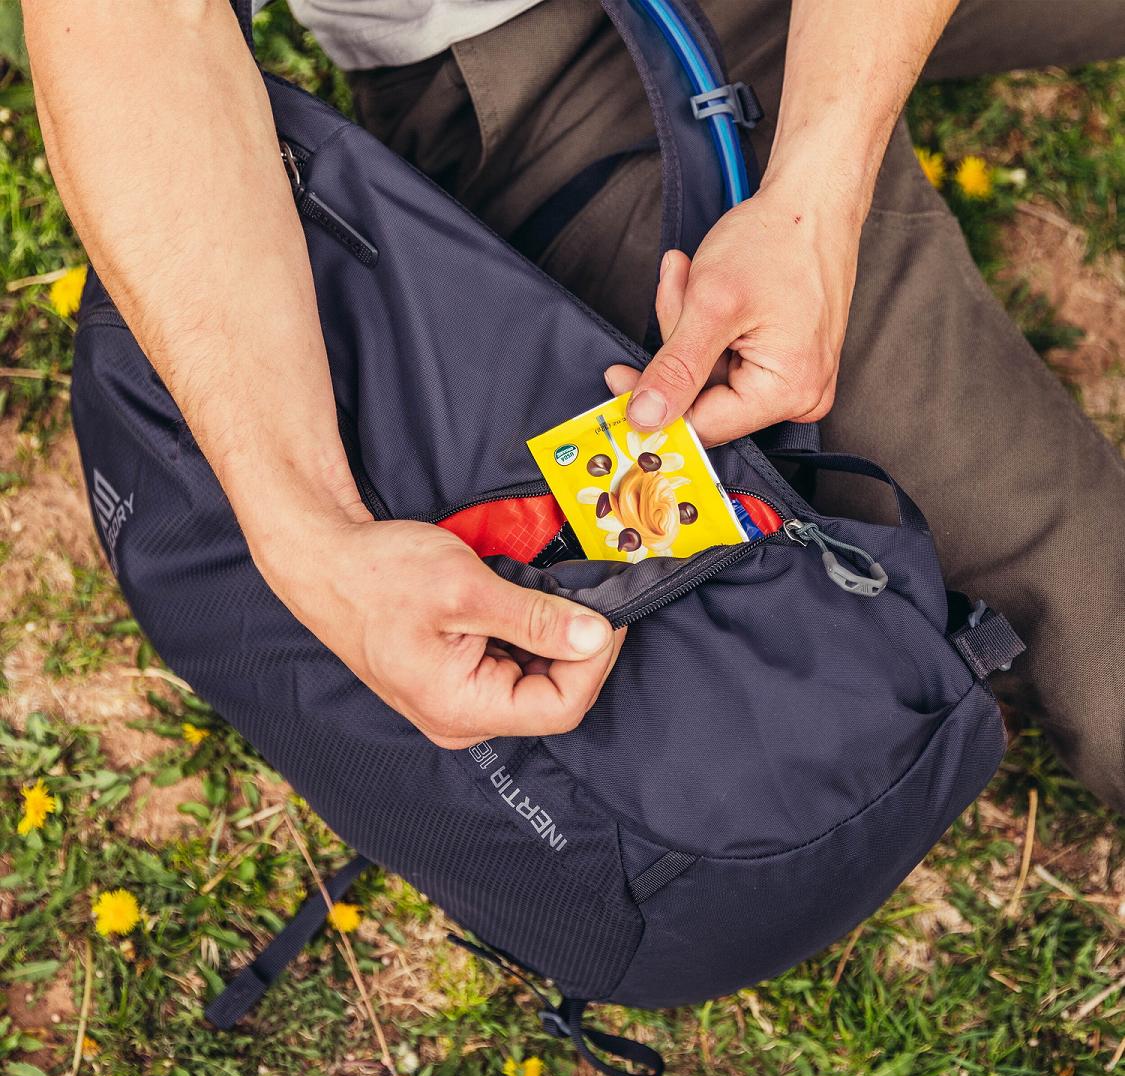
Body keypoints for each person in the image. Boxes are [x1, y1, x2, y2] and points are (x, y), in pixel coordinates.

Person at [23, 1, 1125, 811]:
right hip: (553, 55)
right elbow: (129, 27)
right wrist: (306, 534)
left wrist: (818, 187)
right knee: (1088, 587)